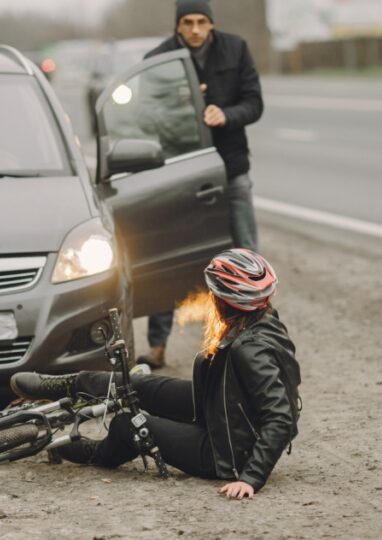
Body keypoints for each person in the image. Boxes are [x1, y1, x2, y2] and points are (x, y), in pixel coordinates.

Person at [11, 249, 300, 499]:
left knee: (129, 424)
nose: (211, 298)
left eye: (215, 293)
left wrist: (250, 478)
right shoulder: (258, 322)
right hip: (219, 410)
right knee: (138, 384)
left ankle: (93, 452)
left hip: (224, 452)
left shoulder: (250, 350)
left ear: (228, 301)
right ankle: (63, 385)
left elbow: (281, 416)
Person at [138, 0, 264, 369]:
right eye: (188, 22)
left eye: (202, 22)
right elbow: (146, 116)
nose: (195, 29)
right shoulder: (158, 59)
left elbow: (255, 103)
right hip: (179, 173)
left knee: (245, 252)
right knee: (167, 255)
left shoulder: (235, 48)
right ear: (178, 26)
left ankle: (255, 335)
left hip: (230, 168)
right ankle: (157, 345)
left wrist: (225, 114)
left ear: (211, 24)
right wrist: (184, 107)